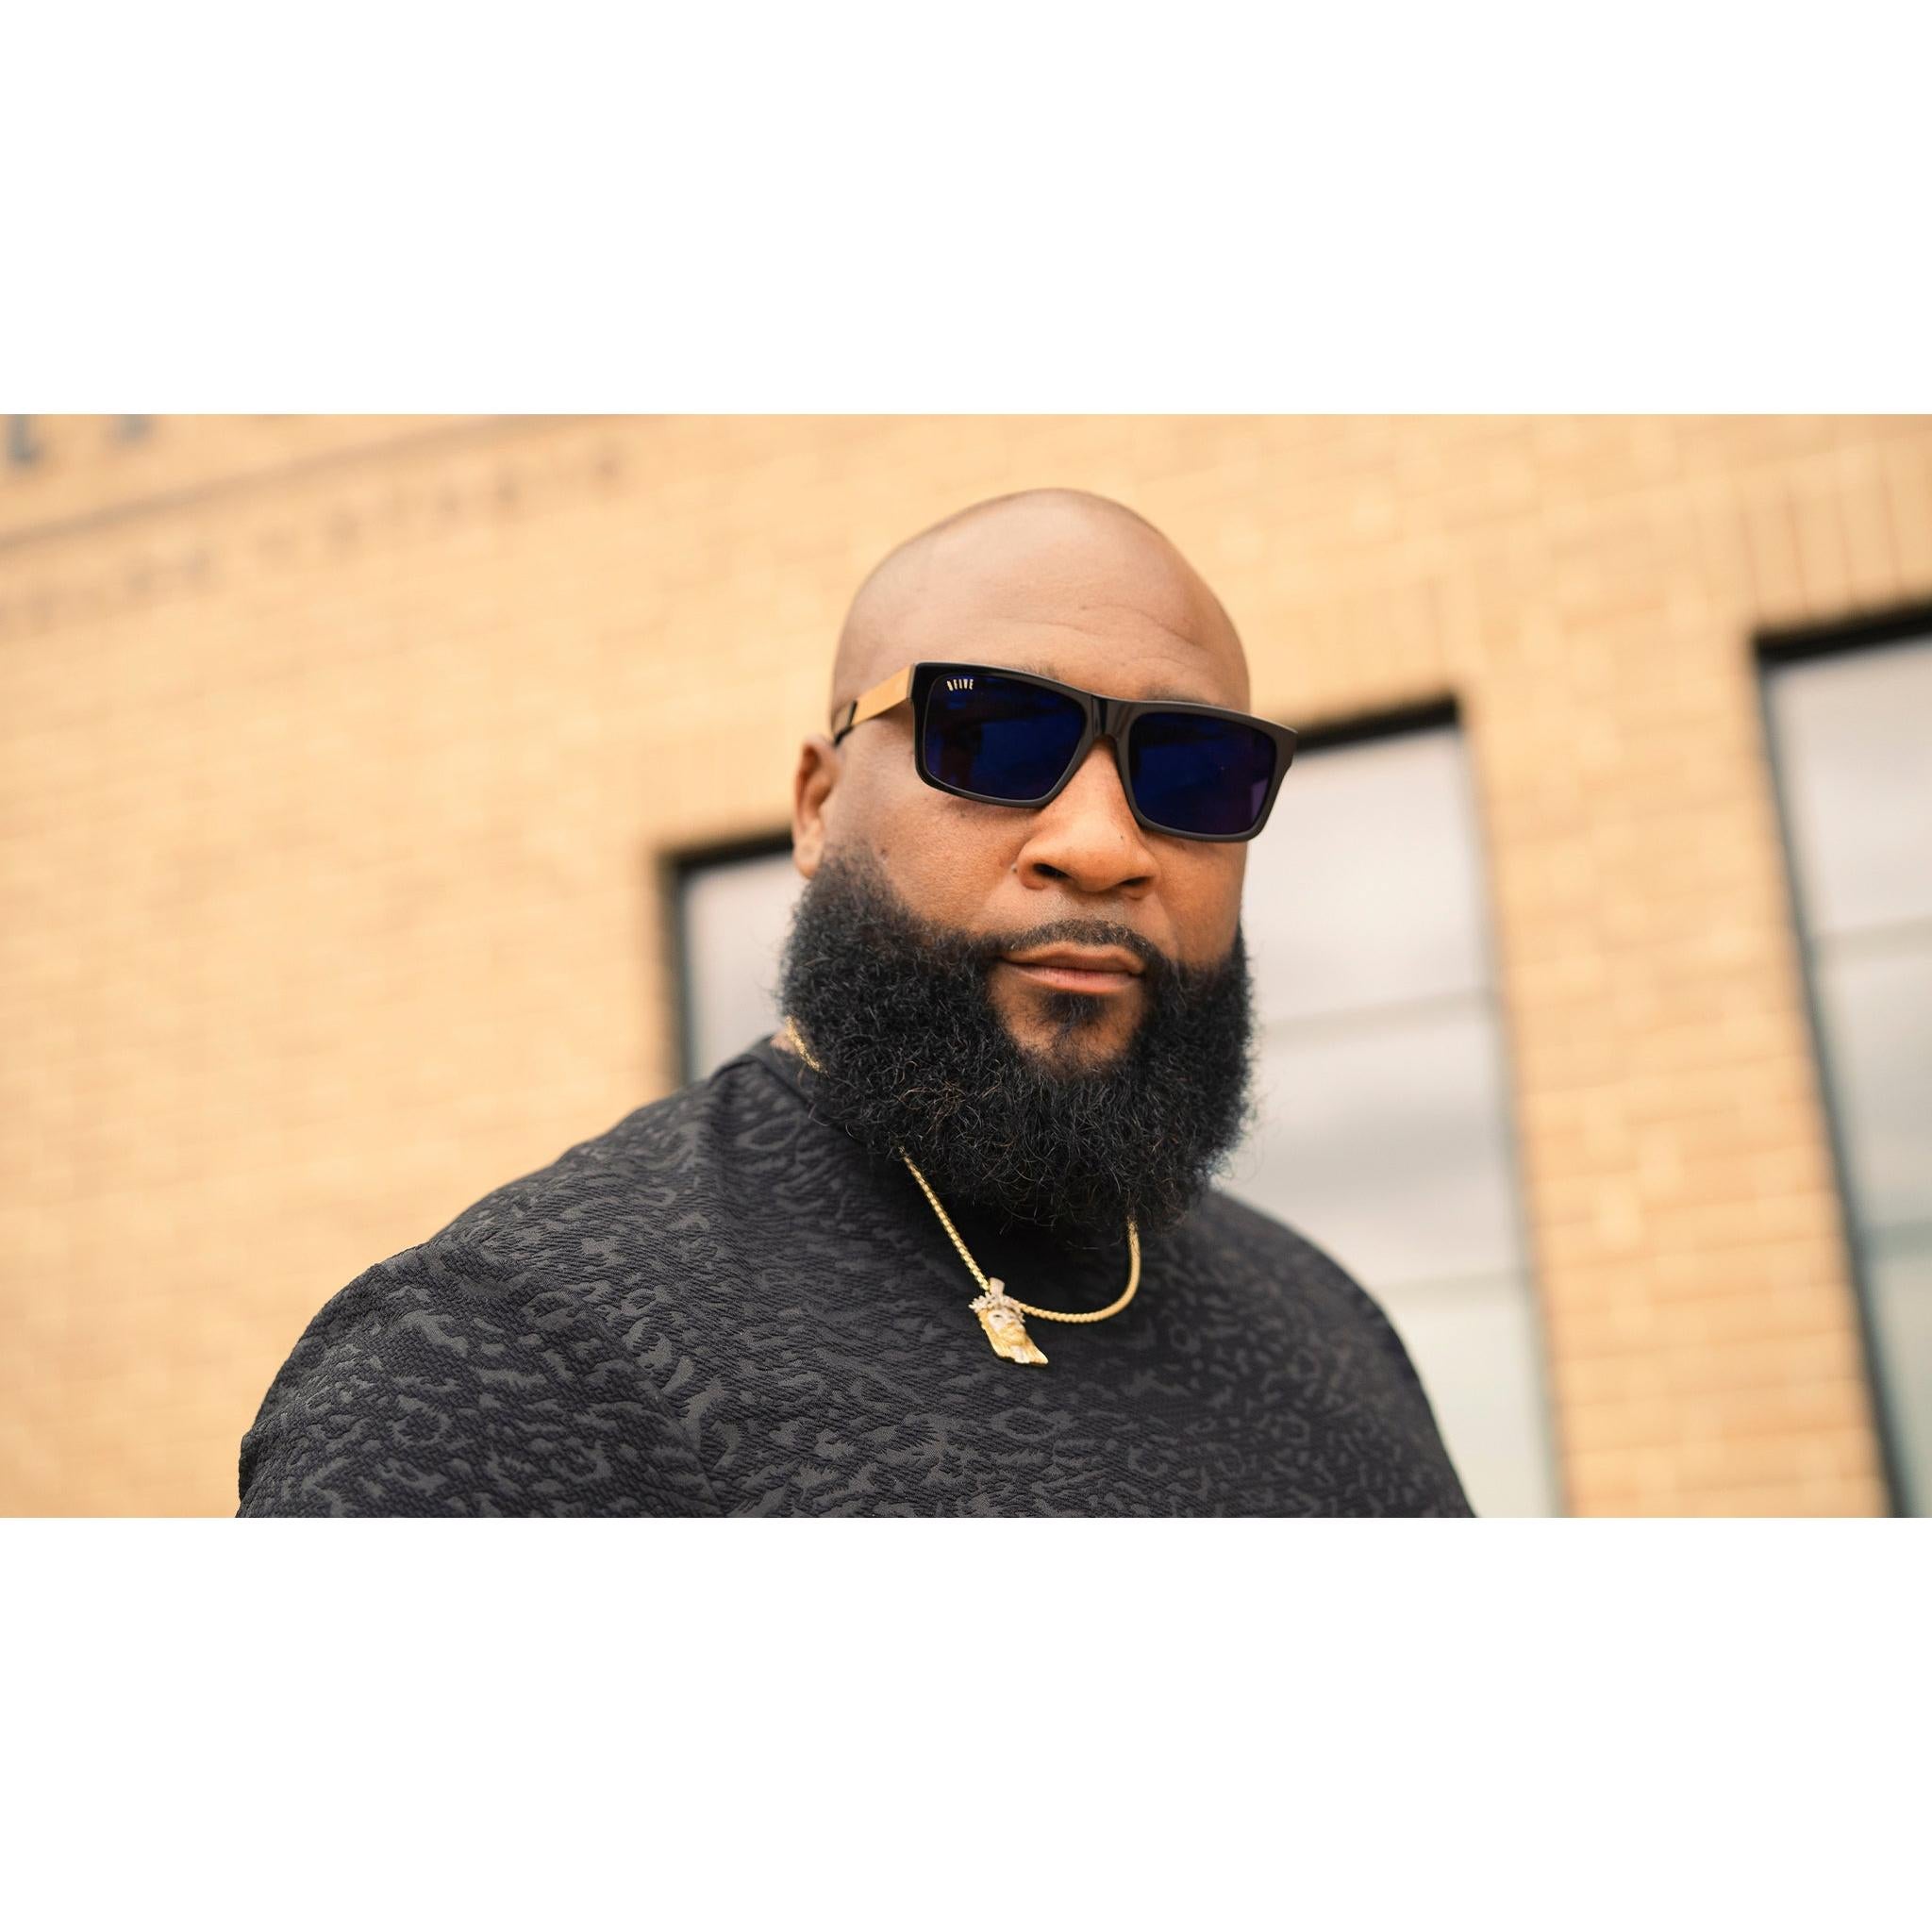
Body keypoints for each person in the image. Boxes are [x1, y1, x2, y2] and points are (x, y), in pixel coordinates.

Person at [238, 488, 1471, 1516]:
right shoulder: (501, 1353)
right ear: (817, 805)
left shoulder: (1329, 1327)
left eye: (1193, 769)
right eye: (995, 738)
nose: (1101, 845)